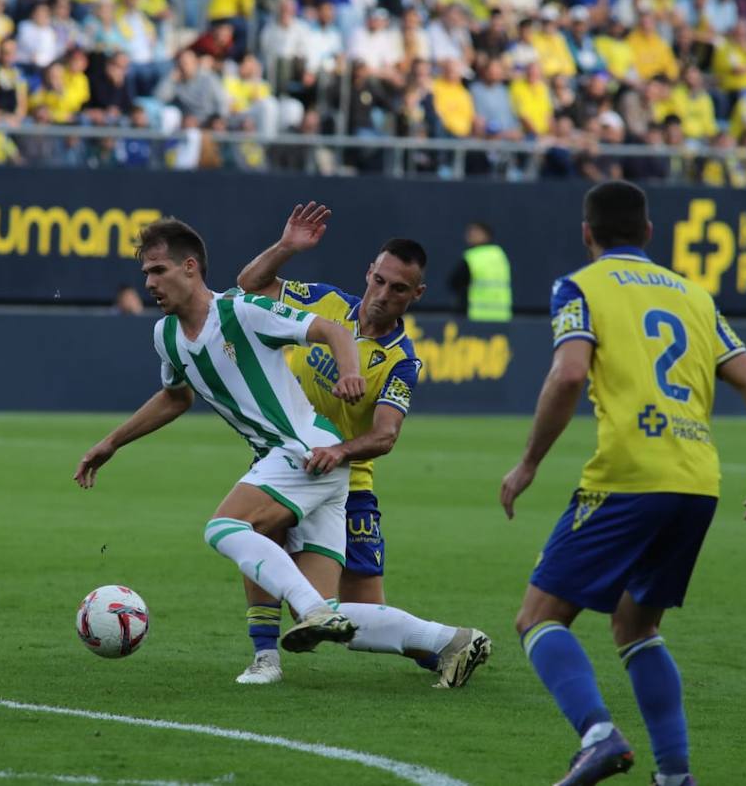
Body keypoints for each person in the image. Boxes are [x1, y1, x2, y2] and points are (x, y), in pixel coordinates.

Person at [75, 219, 489, 681]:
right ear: (368, 273)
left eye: (157, 271)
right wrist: (112, 442)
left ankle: (278, 645)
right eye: (145, 274)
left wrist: (349, 372)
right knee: (334, 610)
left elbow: (335, 333)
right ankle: (451, 641)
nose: (148, 283)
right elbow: (176, 397)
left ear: (189, 267)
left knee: (226, 528)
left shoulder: (244, 312)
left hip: (310, 451)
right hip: (307, 460)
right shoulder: (166, 336)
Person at [499, 181, 746, 786]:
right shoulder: (694, 296)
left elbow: (569, 372)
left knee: (538, 618)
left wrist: (528, 462)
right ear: (649, 233)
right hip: (698, 481)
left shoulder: (579, 286)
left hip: (629, 475)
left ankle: (599, 736)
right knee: (636, 626)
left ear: (587, 234)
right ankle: (675, 776)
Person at [232, 201, 491, 686]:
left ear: (417, 294)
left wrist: (339, 451)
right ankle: (265, 657)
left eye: (398, 288)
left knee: (350, 618)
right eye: (379, 280)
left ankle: (450, 645)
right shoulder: (326, 304)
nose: (382, 294)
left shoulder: (400, 361)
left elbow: (386, 434)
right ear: (368, 272)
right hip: (288, 464)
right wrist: (287, 246)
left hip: (346, 485)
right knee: (253, 533)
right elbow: (248, 287)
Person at [448, 221, 512, 322]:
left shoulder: (472, 257)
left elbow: (454, 282)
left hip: (475, 317)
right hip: (502, 317)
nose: (470, 236)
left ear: (486, 235)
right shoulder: (500, 254)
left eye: (475, 232)